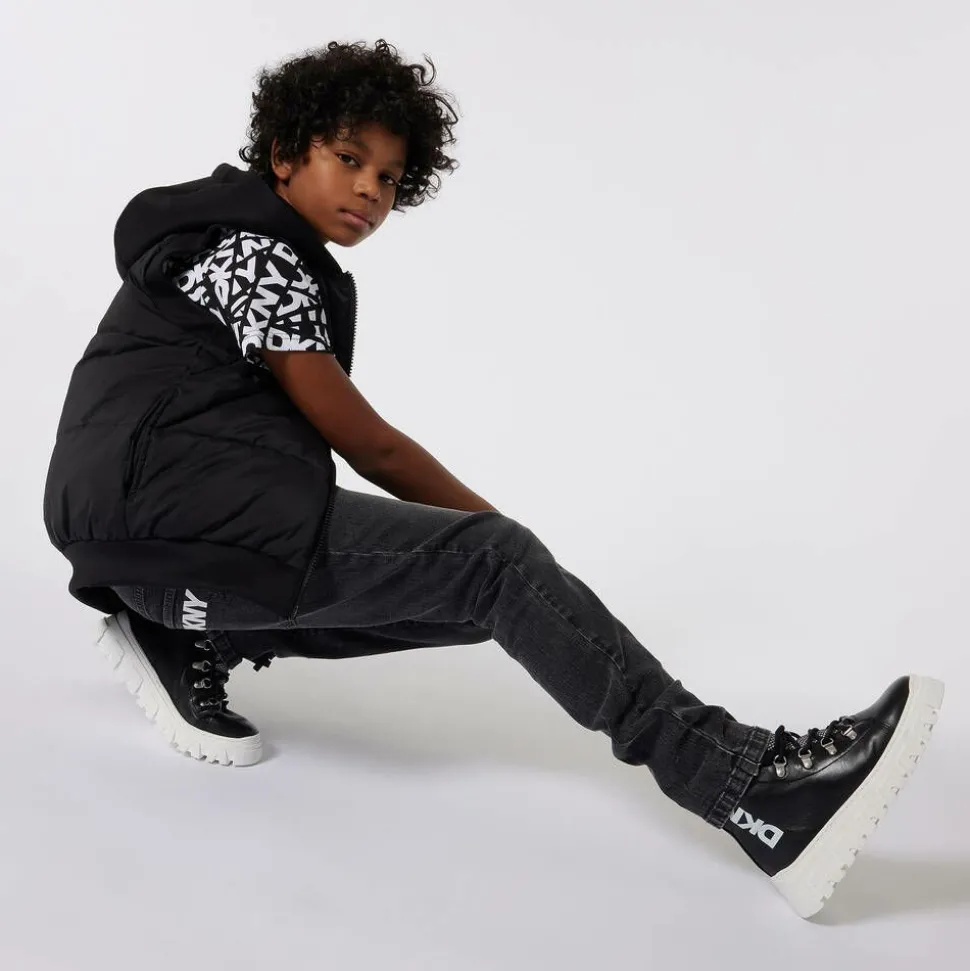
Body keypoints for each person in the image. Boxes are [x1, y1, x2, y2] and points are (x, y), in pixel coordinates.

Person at [43, 39, 944, 920]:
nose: (370, 189)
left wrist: (517, 576)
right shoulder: (260, 254)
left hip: (159, 550)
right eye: (349, 159)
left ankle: (187, 630)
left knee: (497, 597)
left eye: (390, 177)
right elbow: (366, 444)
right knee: (500, 572)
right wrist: (513, 550)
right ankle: (746, 786)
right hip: (182, 529)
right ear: (284, 154)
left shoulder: (225, 242)